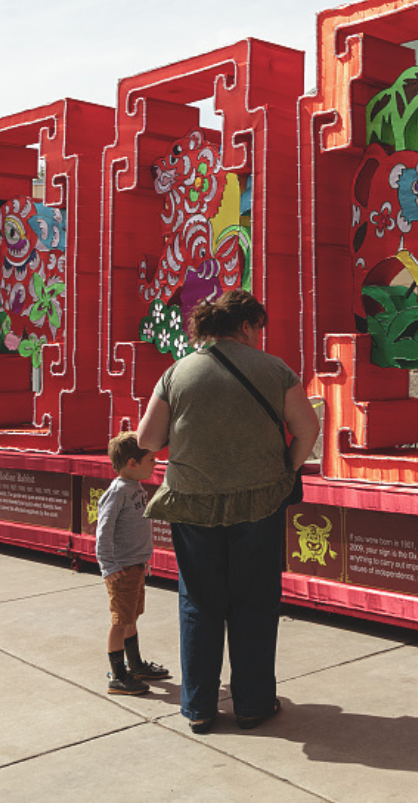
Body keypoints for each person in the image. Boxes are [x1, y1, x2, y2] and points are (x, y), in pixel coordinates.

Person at [137, 290, 320, 734]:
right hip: (258, 501)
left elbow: (147, 439)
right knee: (254, 602)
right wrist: (286, 469)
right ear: (244, 326)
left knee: (199, 602)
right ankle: (253, 704)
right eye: (257, 327)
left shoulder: (178, 372)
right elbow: (308, 428)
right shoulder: (274, 369)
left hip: (193, 503)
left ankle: (198, 706)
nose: (259, 336)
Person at [97, 431, 170, 695]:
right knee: (120, 621)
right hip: (122, 570)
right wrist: (109, 567)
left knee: (132, 617)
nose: (155, 464)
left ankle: (136, 665)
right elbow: (103, 532)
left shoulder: (135, 487)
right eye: (151, 459)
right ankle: (118, 676)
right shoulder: (117, 493)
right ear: (132, 463)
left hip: (136, 566)